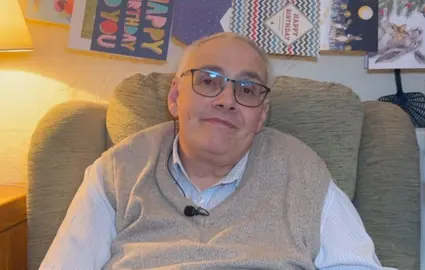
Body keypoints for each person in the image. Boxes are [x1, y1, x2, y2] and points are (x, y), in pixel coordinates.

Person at [40, 32, 395, 269]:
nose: (227, 100)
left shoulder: (302, 170)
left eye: (247, 88)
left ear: (262, 115)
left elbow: (356, 264)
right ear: (176, 97)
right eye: (209, 80)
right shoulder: (117, 171)